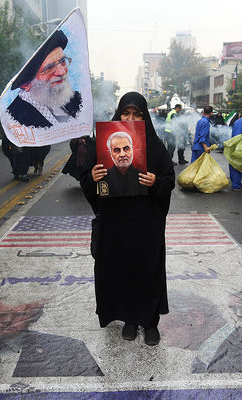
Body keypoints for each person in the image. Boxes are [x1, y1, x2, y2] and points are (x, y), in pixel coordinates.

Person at [80, 92, 175, 346]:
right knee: (121, 269)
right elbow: (87, 182)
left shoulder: (154, 146)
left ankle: (150, 321)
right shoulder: (103, 144)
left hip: (147, 224)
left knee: (148, 268)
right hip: (116, 222)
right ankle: (129, 319)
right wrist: (94, 176)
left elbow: (169, 179)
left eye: (137, 115)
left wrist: (156, 182)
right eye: (126, 113)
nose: (131, 119)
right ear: (118, 114)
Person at [3, 30, 82, 129]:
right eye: (49, 68)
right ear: (26, 85)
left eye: (62, 61)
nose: (62, 72)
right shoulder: (16, 118)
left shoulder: (76, 100)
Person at [101, 131, 147, 197]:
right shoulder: (102, 177)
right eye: (116, 150)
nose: (122, 154)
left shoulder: (144, 177)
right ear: (110, 153)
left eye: (126, 149)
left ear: (132, 150)